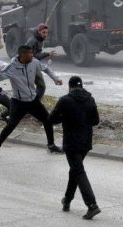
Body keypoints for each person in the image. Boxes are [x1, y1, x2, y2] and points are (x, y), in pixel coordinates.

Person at [0, 45, 64, 158]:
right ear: (22, 55)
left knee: (47, 120)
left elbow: (46, 68)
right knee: (11, 125)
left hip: (33, 100)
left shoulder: (34, 62)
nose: (32, 55)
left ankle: (51, 145)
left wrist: (55, 78)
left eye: (32, 53)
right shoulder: (12, 68)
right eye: (30, 53)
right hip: (19, 102)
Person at [49, 76, 101, 220]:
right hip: (85, 143)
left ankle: (92, 205)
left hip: (71, 143)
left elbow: (52, 119)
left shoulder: (65, 100)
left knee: (78, 172)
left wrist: (65, 117)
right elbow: (95, 121)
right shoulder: (90, 99)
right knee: (75, 171)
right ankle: (67, 200)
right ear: (81, 86)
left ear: (69, 86)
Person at [25, 23, 56, 101]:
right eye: (43, 32)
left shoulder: (39, 39)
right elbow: (33, 56)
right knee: (28, 89)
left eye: (46, 32)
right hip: (27, 66)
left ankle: (35, 103)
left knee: (41, 86)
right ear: (38, 31)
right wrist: (47, 54)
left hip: (34, 65)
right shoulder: (32, 41)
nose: (45, 35)